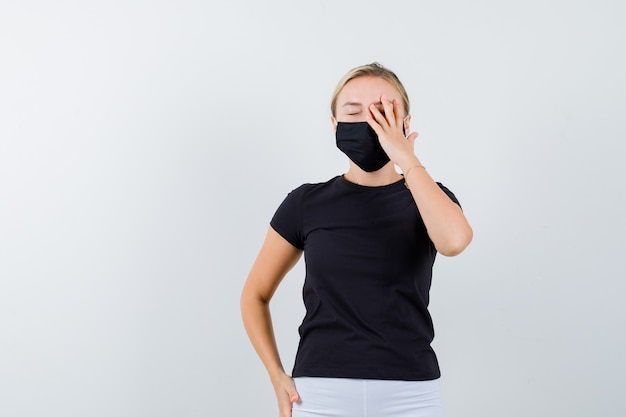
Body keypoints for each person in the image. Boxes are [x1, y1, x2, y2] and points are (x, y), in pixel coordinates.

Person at [240, 62, 473, 417]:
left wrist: (406, 158)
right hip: (320, 393)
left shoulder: (429, 197)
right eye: (353, 112)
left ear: (405, 124)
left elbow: (455, 241)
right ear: (334, 126)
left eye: (383, 111)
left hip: (411, 393)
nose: (369, 121)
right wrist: (276, 375)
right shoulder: (306, 203)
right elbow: (254, 294)